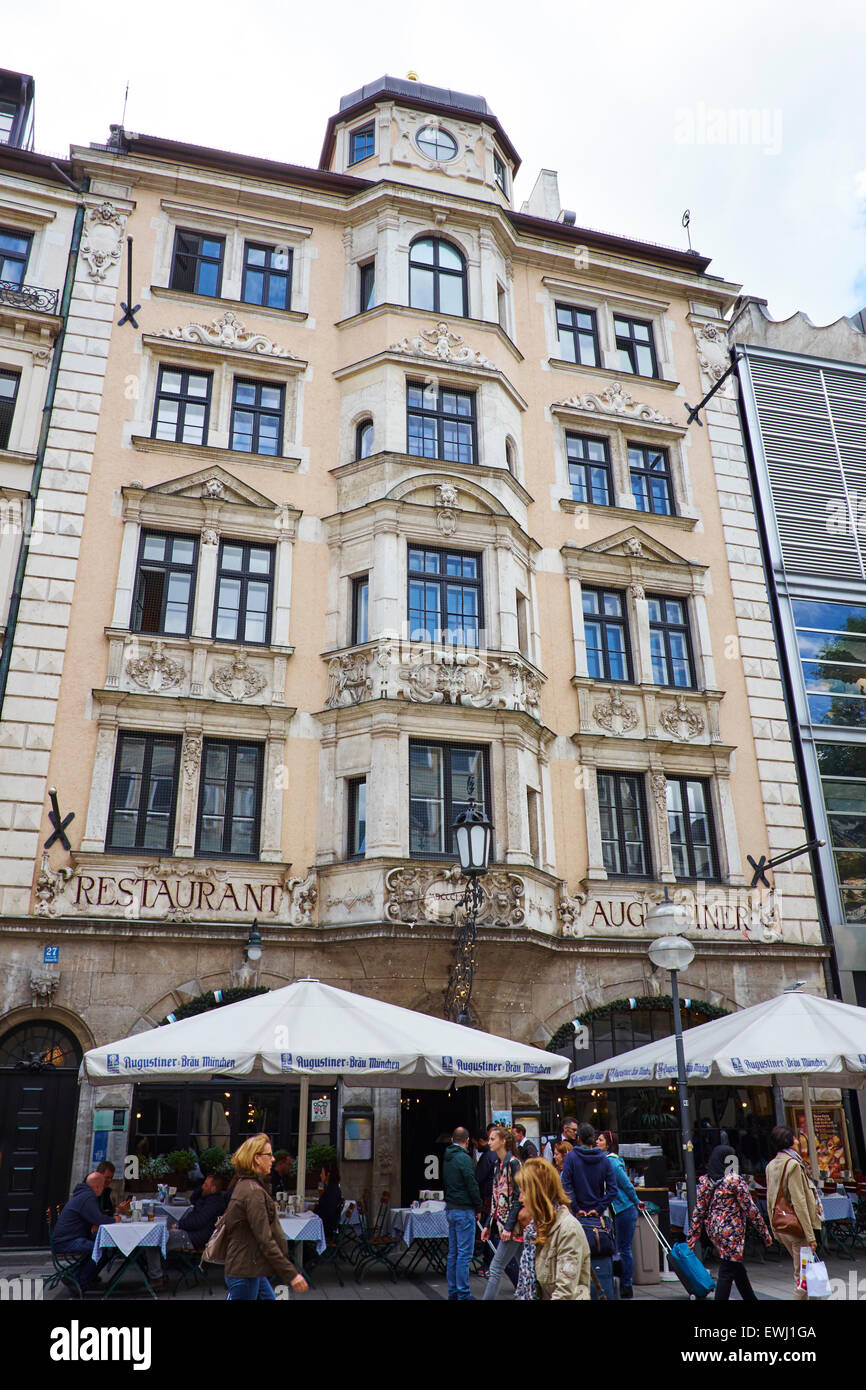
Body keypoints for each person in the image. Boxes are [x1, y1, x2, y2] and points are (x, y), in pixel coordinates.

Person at [222, 1134, 309, 1300]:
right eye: (269, 1155)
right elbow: (264, 1238)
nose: (273, 1159)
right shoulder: (252, 1192)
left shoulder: (250, 1186)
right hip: (245, 1270)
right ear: (256, 1158)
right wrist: (291, 1274)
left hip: (251, 1267)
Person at [687, 1145, 772, 1301]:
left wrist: (693, 1234)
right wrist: (764, 1232)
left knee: (735, 1265)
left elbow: (699, 1209)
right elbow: (750, 1209)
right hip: (731, 1232)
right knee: (727, 1270)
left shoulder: (705, 1181)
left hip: (714, 1231)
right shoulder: (734, 1181)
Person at [560, 1122, 618, 1300]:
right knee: (599, 1258)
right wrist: (599, 1208)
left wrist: (576, 1208)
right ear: (593, 1139)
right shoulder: (603, 1159)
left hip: (577, 1218)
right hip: (597, 1219)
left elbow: (566, 1186)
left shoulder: (571, 1158)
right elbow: (612, 1189)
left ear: (578, 1139)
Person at [765, 1124, 823, 1301]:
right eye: (794, 1137)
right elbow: (799, 1202)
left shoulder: (771, 1165)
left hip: (783, 1226)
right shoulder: (793, 1165)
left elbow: (770, 1199)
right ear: (788, 1141)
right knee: (804, 1276)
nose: (798, 1140)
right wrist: (810, 1235)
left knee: (810, 1273)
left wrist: (774, 1230)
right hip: (797, 1228)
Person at [520, 1158, 590, 1300]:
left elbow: (564, 1292)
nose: (521, 1198)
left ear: (538, 1195)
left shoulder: (567, 1229)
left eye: (524, 1192)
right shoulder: (535, 1229)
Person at [143, 1173, 230, 1286]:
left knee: (154, 1240)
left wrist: (180, 1225)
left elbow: (199, 1221)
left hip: (194, 1237)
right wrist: (203, 1188)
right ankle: (156, 1273)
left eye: (206, 1185)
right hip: (192, 1233)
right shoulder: (207, 1198)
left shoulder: (214, 1203)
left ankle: (156, 1277)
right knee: (158, 1235)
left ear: (213, 1189)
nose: (203, 1187)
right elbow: (193, 1198)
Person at [53, 1171, 120, 1292]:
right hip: (68, 1241)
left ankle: (76, 1275)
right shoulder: (88, 1196)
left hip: (69, 1238)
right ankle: (80, 1280)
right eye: (103, 1185)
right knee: (104, 1248)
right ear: (97, 1186)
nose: (104, 1188)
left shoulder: (83, 1194)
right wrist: (114, 1219)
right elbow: (98, 1218)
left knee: (102, 1245)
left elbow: (95, 1216)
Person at [596, 1130, 644, 1300]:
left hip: (625, 1208)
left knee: (624, 1248)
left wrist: (637, 1201)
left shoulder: (613, 1164)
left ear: (608, 1144)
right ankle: (624, 1283)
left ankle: (627, 1284)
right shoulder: (608, 1161)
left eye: (600, 1140)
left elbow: (627, 1185)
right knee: (622, 1247)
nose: (597, 1141)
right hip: (620, 1209)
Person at [481, 1126, 523, 1300]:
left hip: (513, 1226)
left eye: (492, 1139)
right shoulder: (497, 1165)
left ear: (503, 1141)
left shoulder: (513, 1163)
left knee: (496, 1266)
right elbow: (496, 1198)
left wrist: (508, 1226)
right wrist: (488, 1225)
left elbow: (519, 1196)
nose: (489, 1142)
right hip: (506, 1224)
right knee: (526, 1265)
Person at [443, 1125, 482, 1301]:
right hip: (464, 1209)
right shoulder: (464, 1159)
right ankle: (463, 1293)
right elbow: (471, 1183)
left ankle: (453, 1291)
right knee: (464, 1254)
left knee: (454, 1253)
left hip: (451, 1208)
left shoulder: (447, 1158)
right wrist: (478, 1206)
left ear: (452, 1140)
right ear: (467, 1141)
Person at [313, 1157, 342, 1241]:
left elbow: (327, 1212)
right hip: (327, 1226)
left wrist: (315, 1209)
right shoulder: (332, 1188)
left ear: (328, 1174)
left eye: (322, 1173)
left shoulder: (331, 1190)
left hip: (326, 1228)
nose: (320, 1175)